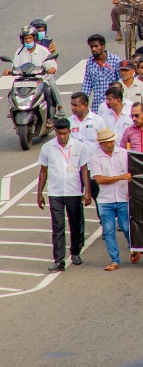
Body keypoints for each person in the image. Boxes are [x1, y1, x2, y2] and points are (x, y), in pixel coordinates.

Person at [37, 116, 92, 271]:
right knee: (58, 226)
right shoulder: (47, 148)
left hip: (74, 191)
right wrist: (39, 193)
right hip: (55, 192)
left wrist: (87, 191)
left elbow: (84, 170)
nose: (62, 136)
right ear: (55, 131)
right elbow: (43, 172)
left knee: (75, 223)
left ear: (69, 131)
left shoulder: (79, 147)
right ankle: (59, 260)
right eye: (59, 133)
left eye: (65, 133)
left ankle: (75, 251)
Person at [90, 127, 140, 271]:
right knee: (109, 231)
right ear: (101, 144)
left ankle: (134, 247)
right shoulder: (95, 158)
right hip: (105, 200)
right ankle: (114, 259)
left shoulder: (123, 153)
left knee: (125, 227)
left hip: (123, 197)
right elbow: (99, 179)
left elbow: (132, 170)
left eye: (112, 141)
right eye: (107, 142)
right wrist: (120, 177)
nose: (111, 144)